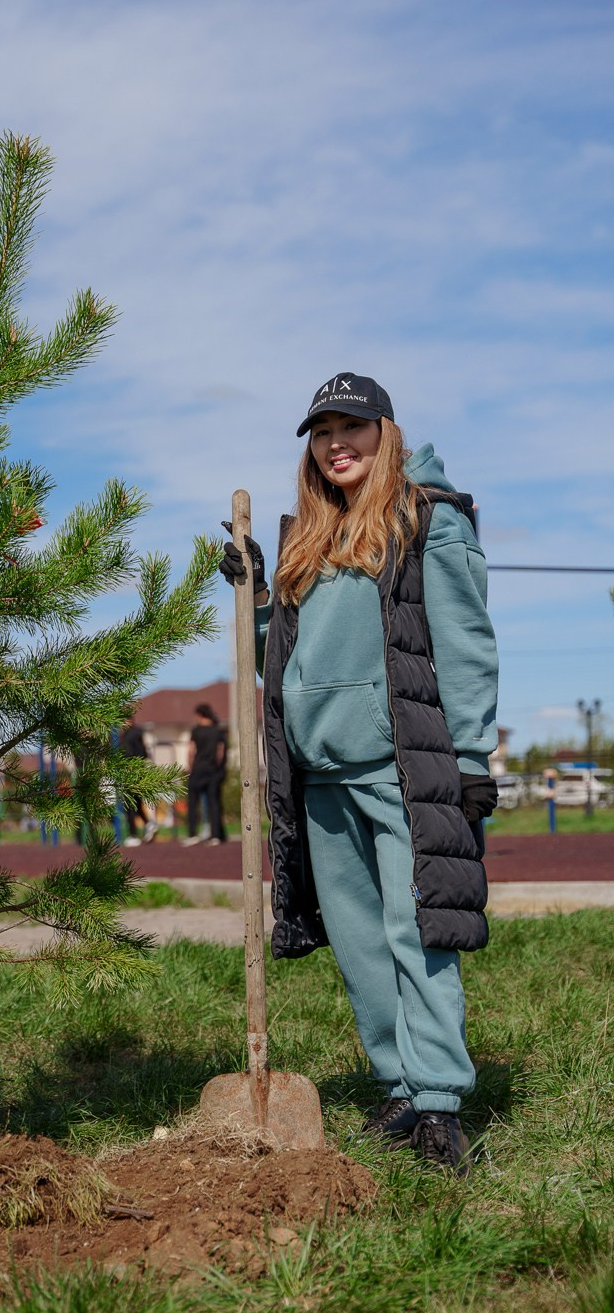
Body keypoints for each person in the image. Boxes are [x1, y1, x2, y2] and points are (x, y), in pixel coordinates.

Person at [220, 372, 498, 1174]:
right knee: (359, 943)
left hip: (401, 769)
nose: (337, 444)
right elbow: (292, 656)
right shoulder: (313, 535)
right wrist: (261, 600)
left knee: (418, 934)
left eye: (353, 428)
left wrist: (472, 758)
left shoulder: (426, 520)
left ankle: (442, 1102)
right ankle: (402, 1086)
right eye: (322, 432)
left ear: (386, 434)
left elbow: (465, 646)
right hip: (323, 780)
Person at [183, 702, 228, 845]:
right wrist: (218, 766)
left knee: (192, 802)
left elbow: (191, 750)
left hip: (198, 769)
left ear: (199, 715)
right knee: (214, 803)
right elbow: (220, 752)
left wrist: (190, 766)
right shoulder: (217, 731)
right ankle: (215, 836)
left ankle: (192, 834)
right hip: (212, 771)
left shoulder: (196, 731)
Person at [119, 713, 158, 846]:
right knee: (135, 802)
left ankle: (133, 834)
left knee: (130, 803)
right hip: (133, 771)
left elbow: (139, 753)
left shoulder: (132, 734)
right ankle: (149, 824)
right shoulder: (128, 734)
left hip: (132, 771)